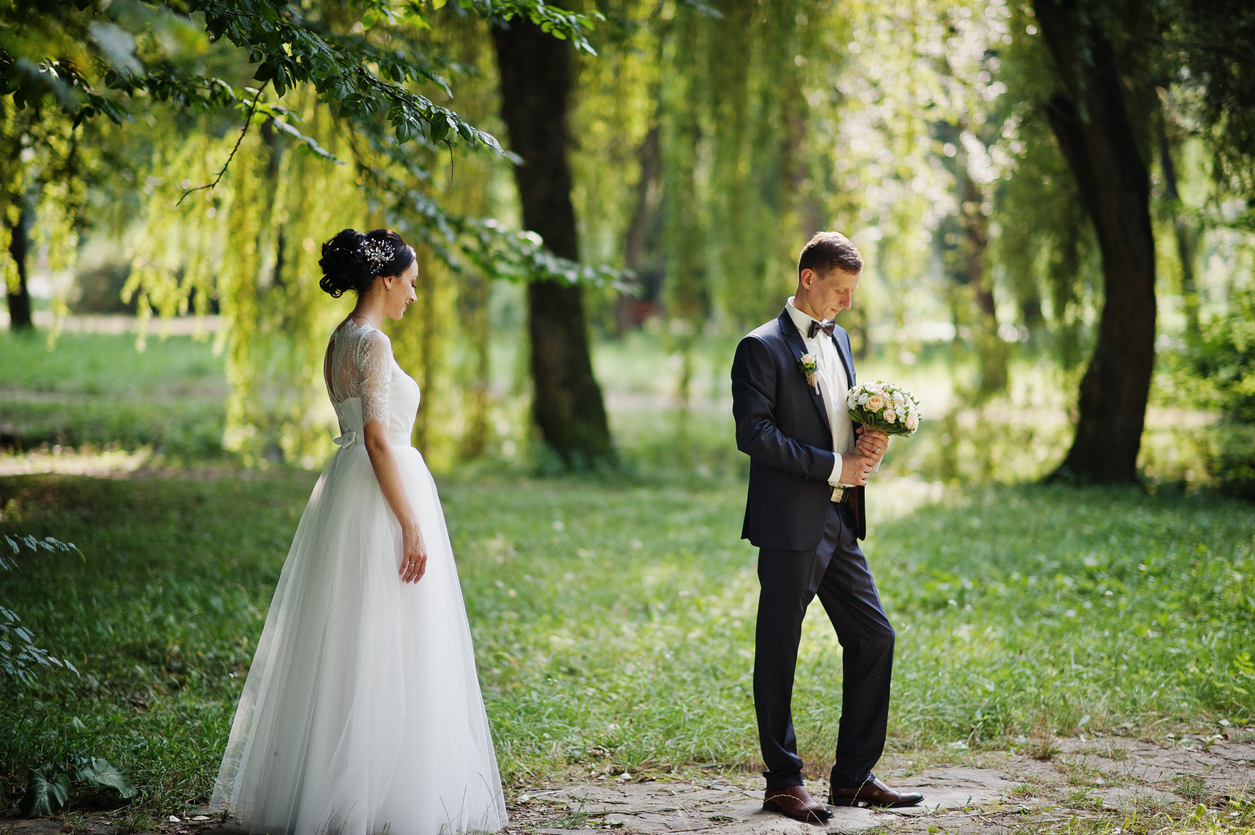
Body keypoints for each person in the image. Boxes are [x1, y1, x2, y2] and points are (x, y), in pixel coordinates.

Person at [210, 229, 508, 835]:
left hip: (346, 486)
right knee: (386, 633)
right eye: (413, 284)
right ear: (387, 279)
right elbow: (376, 440)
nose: (415, 297)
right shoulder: (371, 342)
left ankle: (336, 780)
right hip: (379, 489)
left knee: (350, 633)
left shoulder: (338, 339)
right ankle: (386, 795)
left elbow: (356, 436)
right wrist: (411, 524)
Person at [730, 231, 923, 822]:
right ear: (808, 278)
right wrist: (834, 464)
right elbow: (755, 435)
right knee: (779, 650)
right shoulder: (760, 347)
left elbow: (840, 415)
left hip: (841, 518)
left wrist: (869, 442)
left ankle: (853, 777)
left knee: (874, 637)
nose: (845, 303)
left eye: (851, 293)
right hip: (790, 522)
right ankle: (783, 782)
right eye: (838, 290)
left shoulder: (838, 340)